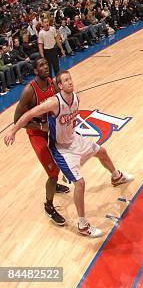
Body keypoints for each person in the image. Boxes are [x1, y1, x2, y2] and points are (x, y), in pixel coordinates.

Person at [4, 70, 134, 238]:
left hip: (74, 140)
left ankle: (116, 176)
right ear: (59, 86)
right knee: (80, 183)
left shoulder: (76, 98)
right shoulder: (53, 103)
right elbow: (29, 114)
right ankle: (82, 225)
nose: (69, 82)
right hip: (61, 148)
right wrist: (13, 131)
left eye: (70, 79)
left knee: (102, 151)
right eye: (65, 80)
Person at [11, 58, 70, 226]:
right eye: (41, 66)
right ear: (35, 71)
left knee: (60, 161)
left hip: (51, 130)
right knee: (52, 172)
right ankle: (49, 206)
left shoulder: (51, 82)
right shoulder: (29, 91)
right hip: (37, 134)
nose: (46, 67)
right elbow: (17, 120)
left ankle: (54, 184)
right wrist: (40, 125)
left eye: (46, 64)